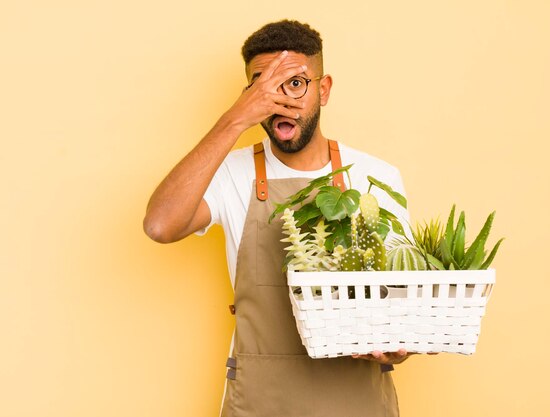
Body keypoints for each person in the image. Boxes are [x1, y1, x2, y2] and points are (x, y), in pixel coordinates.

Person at [144, 20, 420, 417]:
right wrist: (234, 120)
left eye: (295, 83)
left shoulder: (374, 177)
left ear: (323, 90)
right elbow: (159, 225)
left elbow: (400, 305)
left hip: (357, 403)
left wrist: (399, 345)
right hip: (261, 402)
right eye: (263, 87)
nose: (281, 101)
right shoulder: (231, 173)